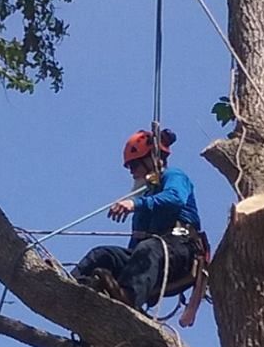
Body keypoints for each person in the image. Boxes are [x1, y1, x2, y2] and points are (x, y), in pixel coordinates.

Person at [75, 128, 204, 311]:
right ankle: (70, 287)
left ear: (151, 158)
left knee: (149, 247)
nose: (131, 172)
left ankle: (129, 297)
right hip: (151, 255)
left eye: (134, 165)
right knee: (102, 255)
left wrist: (134, 204)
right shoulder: (145, 197)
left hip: (180, 247)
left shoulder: (172, 176)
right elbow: (135, 246)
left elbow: (175, 198)